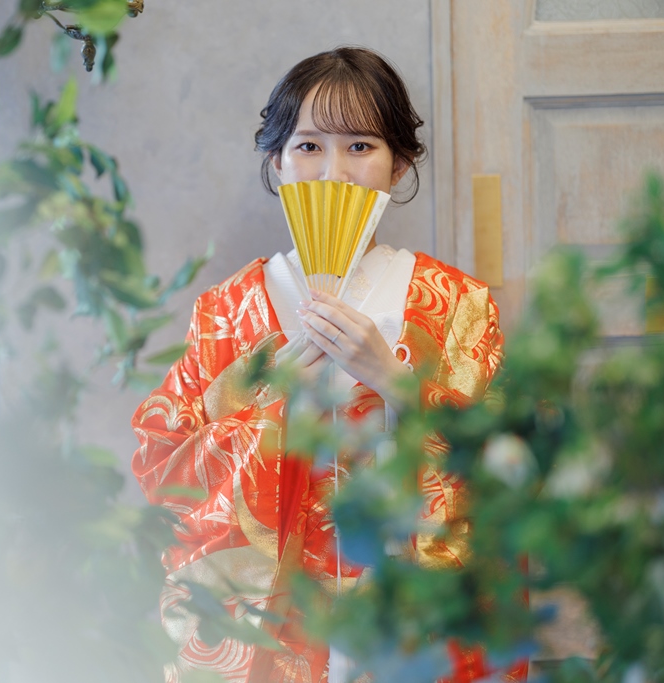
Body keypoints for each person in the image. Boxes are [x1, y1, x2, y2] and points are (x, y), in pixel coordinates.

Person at [131, 46, 526, 683]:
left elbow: (510, 463)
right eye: (308, 146)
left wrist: (395, 381)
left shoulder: (455, 304)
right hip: (284, 624)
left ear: (400, 163)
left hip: (408, 615)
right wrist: (270, 408)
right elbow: (166, 468)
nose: (333, 172)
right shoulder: (229, 310)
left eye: (360, 146)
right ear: (277, 162)